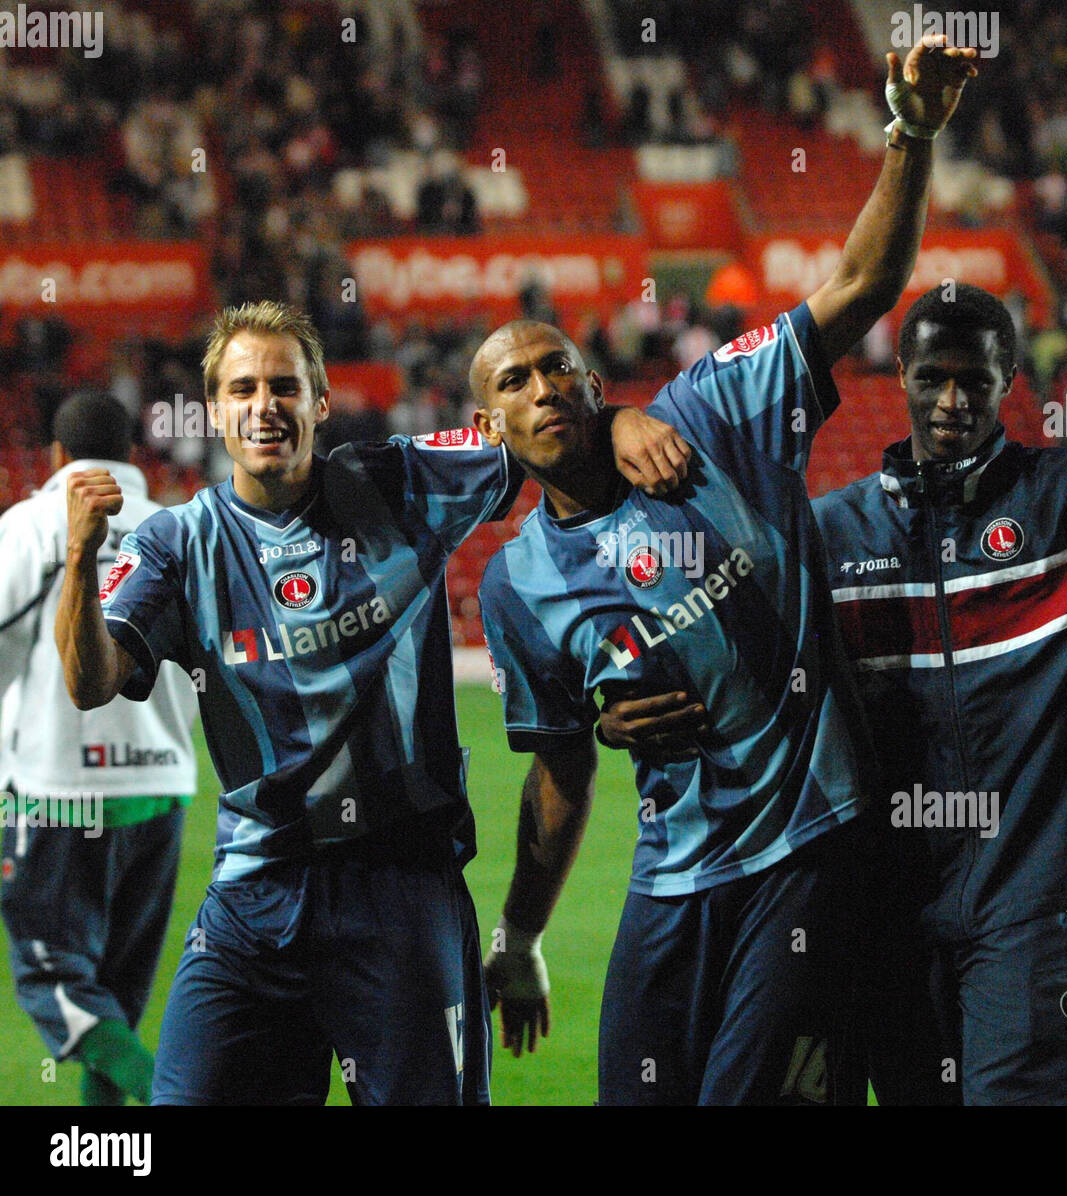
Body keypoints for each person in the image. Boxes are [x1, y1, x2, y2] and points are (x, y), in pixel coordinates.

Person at [603, 256, 1067, 1104]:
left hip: (1031, 897)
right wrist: (618, 712)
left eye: (975, 380)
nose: (954, 401)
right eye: (934, 379)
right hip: (885, 911)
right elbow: (738, 670)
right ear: (901, 379)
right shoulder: (830, 539)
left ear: (1008, 380)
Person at [472, 37, 978, 1105]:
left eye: (558, 366)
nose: (542, 386)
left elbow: (863, 282)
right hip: (672, 878)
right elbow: (561, 770)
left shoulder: (708, 417)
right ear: (492, 423)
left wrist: (910, 133)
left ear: (593, 378)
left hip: (810, 848)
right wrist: (517, 934)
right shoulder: (517, 586)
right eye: (515, 380)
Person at [52, 300, 686, 1106]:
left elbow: (537, 425)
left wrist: (624, 417)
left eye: (285, 385)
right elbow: (89, 680)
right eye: (242, 388)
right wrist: (79, 560)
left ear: (320, 403)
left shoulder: (401, 480)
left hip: (402, 886)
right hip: (253, 894)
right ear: (215, 411)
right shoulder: (175, 545)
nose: (264, 405)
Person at [0, 394, 199, 1106]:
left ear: (56, 456)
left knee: (56, 982)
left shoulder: (25, 529)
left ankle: (179, 1097)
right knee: (117, 992)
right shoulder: (178, 530)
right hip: (162, 789)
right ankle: (105, 1149)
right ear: (137, 457)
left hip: (54, 788)